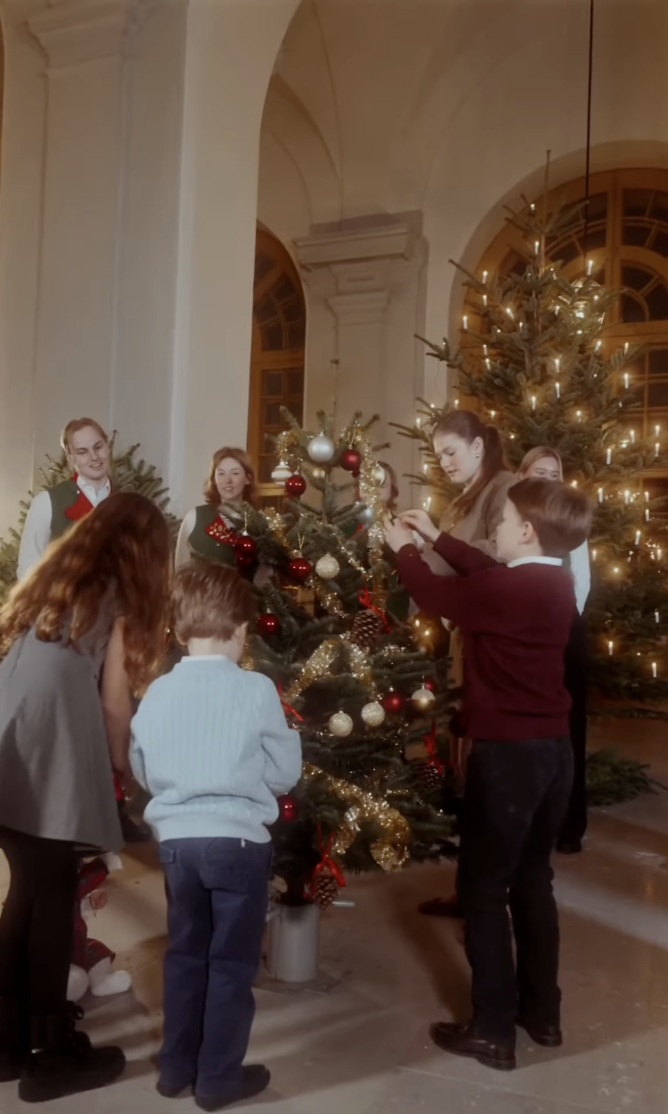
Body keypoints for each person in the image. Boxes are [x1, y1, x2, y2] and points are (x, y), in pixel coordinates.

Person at [385, 479, 591, 1071]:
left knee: (481, 889)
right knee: (532, 881)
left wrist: (402, 547)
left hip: (509, 758)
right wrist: (436, 535)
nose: (492, 529)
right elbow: (484, 569)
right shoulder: (555, 579)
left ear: (526, 531)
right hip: (554, 754)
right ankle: (542, 1014)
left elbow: (432, 593)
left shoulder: (506, 589)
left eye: (500, 520)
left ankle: (493, 1028)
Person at [0, 493, 172, 1103]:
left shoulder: (55, 582)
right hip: (50, 759)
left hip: (8, 746)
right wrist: (126, 766)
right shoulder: (117, 597)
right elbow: (113, 701)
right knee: (49, 901)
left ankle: (7, 1042)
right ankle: (49, 1055)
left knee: (25, 888)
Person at [130, 563, 302, 1111]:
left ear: (179, 633)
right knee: (230, 961)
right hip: (239, 845)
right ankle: (218, 1077)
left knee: (185, 952)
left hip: (178, 845)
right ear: (242, 631)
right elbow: (282, 774)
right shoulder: (255, 689)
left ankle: (176, 1068)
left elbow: (142, 766)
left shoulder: (157, 691)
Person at [17, 416, 151, 845]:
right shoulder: (50, 503)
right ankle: (64, 812)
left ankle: (113, 811)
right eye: (82, 450)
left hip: (117, 630)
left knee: (115, 712)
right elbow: (29, 571)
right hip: (69, 634)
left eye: (98, 447)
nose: (93, 457)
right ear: (69, 456)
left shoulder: (127, 504)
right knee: (74, 721)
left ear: (107, 448)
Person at [418, 410, 515, 918]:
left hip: (487, 647)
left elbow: (498, 553)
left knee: (484, 772)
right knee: (464, 765)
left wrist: (433, 542)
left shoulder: (505, 489)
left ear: (479, 447)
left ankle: (487, 901)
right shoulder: (466, 495)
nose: (446, 463)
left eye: (451, 452)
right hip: (462, 641)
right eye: (439, 456)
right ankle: (469, 890)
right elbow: (444, 559)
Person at [518, 447, 590, 854]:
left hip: (563, 635)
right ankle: (529, 817)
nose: (547, 478)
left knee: (570, 729)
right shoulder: (513, 518)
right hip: (521, 638)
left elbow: (582, 583)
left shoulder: (571, 522)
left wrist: (555, 626)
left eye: (554, 473)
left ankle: (570, 821)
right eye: (539, 472)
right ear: (524, 475)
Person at [175, 447, 258, 571]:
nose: (227, 480)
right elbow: (180, 571)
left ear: (248, 478)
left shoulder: (258, 525)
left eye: (235, 473)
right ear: (214, 479)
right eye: (221, 473)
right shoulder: (194, 517)